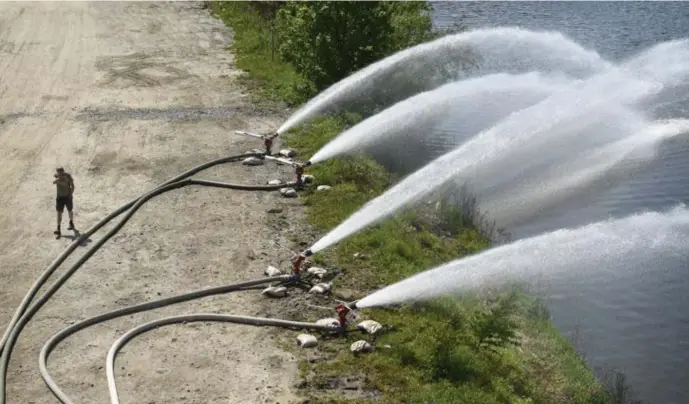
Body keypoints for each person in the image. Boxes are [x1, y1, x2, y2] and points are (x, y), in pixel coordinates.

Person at [53, 167, 75, 237]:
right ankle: (58, 229)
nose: (60, 174)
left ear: (63, 172)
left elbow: (72, 186)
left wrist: (70, 194)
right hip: (59, 198)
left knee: (70, 210)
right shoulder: (58, 176)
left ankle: (71, 222)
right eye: (58, 173)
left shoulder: (67, 177)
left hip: (67, 197)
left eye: (61, 173)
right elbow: (55, 179)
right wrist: (57, 178)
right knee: (59, 213)